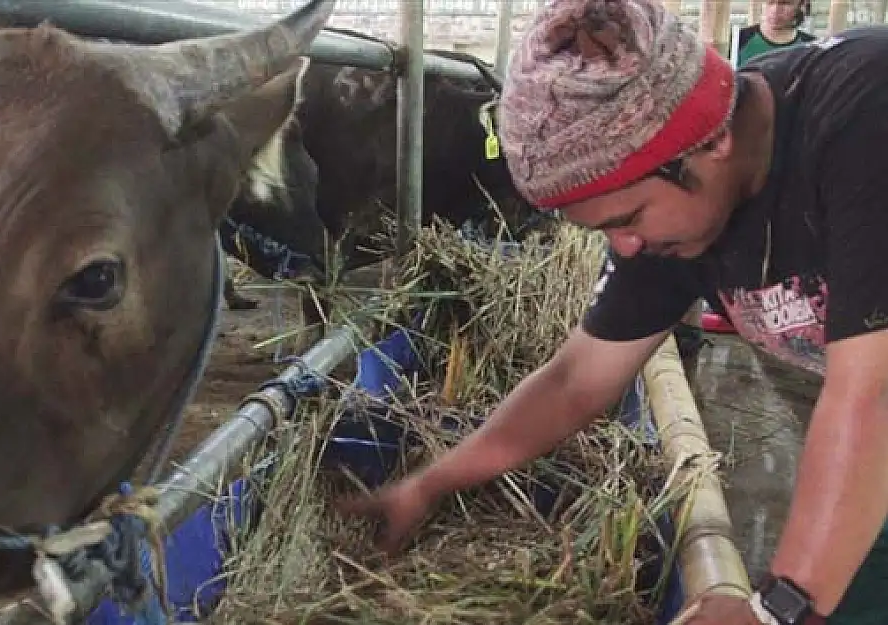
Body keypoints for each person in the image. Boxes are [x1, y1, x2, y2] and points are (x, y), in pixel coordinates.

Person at [336, 0, 888, 623]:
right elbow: (577, 381)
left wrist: (775, 609)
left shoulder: (865, 111)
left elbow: (872, 395)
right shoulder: (676, 199)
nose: (625, 248)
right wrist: (428, 484)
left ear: (713, 139)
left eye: (626, 220)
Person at [737, 0, 816, 67]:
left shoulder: (812, 47)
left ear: (801, 6)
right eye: (770, 2)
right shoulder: (738, 38)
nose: (775, 10)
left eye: (784, 3)